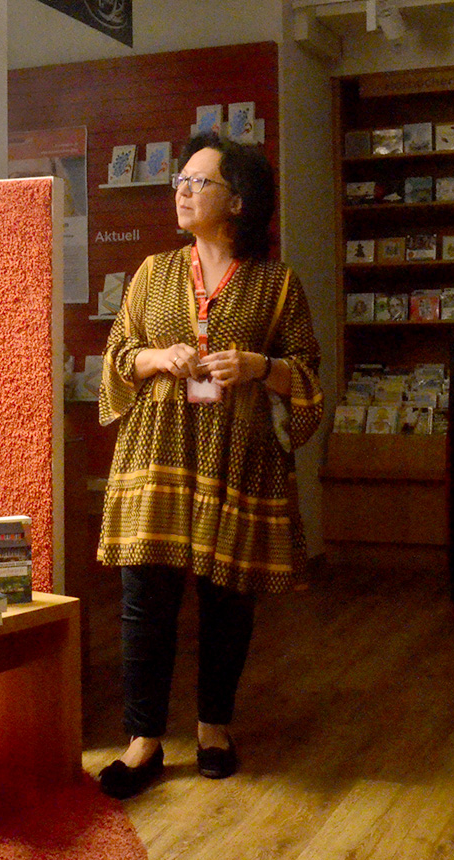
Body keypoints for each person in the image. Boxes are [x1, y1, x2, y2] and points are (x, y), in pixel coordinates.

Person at [94, 132, 323, 799]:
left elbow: (307, 372)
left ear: (239, 201)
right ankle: (142, 742)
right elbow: (118, 354)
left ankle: (213, 727)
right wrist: (155, 358)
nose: (183, 191)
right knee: (144, 599)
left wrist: (260, 367)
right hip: (156, 453)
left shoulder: (277, 285)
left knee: (227, 598)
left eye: (199, 182)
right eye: (181, 181)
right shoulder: (153, 273)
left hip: (236, 457)